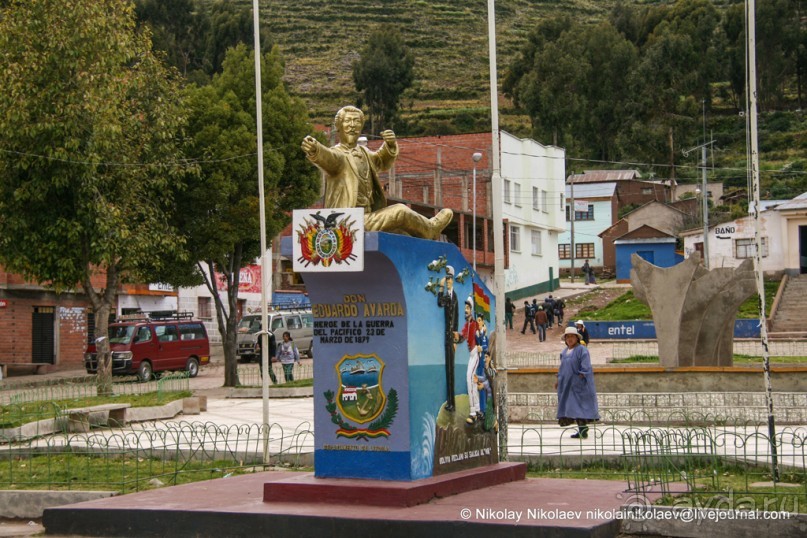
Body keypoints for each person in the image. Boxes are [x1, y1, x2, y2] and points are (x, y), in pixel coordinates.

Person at [302, 106, 453, 239]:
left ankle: (423, 235)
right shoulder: (338, 155)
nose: (352, 126)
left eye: (357, 122)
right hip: (347, 221)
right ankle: (430, 229)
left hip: (367, 216)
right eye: (348, 121)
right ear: (338, 126)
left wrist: (389, 145)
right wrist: (316, 149)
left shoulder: (364, 152)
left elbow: (381, 161)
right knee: (399, 211)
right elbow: (327, 157)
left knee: (402, 232)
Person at [555, 326, 599, 439]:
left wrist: (581, 376)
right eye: (567, 337)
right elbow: (562, 367)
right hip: (566, 384)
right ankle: (581, 430)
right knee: (571, 406)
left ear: (577, 338)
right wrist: (558, 380)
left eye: (572, 336)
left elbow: (586, 366)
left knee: (581, 406)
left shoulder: (582, 350)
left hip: (579, 384)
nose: (569, 339)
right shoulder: (564, 352)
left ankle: (583, 430)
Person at [437, 266, 459, 412]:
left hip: (452, 336)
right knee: (448, 370)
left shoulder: (455, 296)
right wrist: (440, 287)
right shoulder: (445, 296)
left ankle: (452, 403)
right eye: (447, 280)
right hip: (447, 336)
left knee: (451, 369)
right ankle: (450, 402)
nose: (449, 282)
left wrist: (456, 338)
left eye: (450, 279)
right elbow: (439, 303)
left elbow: (456, 317)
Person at [457, 298, 479, 424]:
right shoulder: (467, 324)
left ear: (472, 310)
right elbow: (462, 336)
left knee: (470, 379)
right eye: (465, 308)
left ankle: (473, 412)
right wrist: (456, 337)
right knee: (471, 381)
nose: (465, 310)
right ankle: (476, 409)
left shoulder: (475, 324)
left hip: (476, 353)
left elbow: (481, 336)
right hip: (471, 354)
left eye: (467, 308)